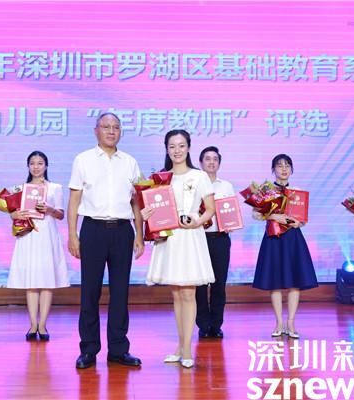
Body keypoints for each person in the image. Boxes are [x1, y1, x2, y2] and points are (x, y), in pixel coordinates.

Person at [68, 112, 145, 369]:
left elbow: (136, 202)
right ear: (96, 131)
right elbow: (74, 201)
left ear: (121, 131)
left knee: (120, 292)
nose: (111, 131)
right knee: (90, 291)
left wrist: (140, 234)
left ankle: (119, 349)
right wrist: (72, 235)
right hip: (93, 230)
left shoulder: (130, 162)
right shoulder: (83, 160)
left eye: (116, 127)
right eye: (106, 127)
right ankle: (89, 349)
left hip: (123, 231)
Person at [142, 129, 216, 368]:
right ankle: (180, 346)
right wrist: (147, 215)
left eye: (181, 145)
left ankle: (186, 349)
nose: (177, 150)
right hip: (171, 238)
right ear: (167, 149)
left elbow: (210, 209)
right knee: (176, 293)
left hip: (191, 236)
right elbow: (153, 208)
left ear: (189, 147)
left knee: (188, 293)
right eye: (172, 146)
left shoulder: (199, 176)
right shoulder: (160, 179)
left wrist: (197, 221)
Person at [252, 154, 318, 339]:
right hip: (274, 238)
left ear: (292, 169)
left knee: (294, 282)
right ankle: (279, 323)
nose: (283, 169)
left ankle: (291, 323)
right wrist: (273, 216)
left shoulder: (297, 191)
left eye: (287, 165)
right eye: (279, 165)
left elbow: (303, 218)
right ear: (273, 169)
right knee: (275, 282)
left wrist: (299, 222)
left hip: (292, 238)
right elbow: (256, 214)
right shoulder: (266, 190)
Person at [7, 151, 70, 341]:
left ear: (46, 166)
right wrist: (14, 215)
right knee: (31, 282)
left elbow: (61, 215)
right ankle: (33, 324)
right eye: (32, 163)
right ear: (28, 166)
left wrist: (50, 209)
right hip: (28, 236)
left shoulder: (55, 188)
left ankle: (42, 325)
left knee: (47, 281)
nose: (36, 167)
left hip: (47, 236)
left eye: (40, 163)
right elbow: (13, 213)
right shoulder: (21, 189)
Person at [195, 146, 235, 339]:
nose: (211, 162)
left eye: (215, 159)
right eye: (207, 159)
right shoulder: (194, 184)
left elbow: (231, 211)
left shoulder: (226, 186)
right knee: (200, 284)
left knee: (219, 284)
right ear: (201, 162)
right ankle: (203, 325)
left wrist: (232, 223)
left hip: (220, 239)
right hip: (198, 239)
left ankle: (216, 325)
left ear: (219, 163)